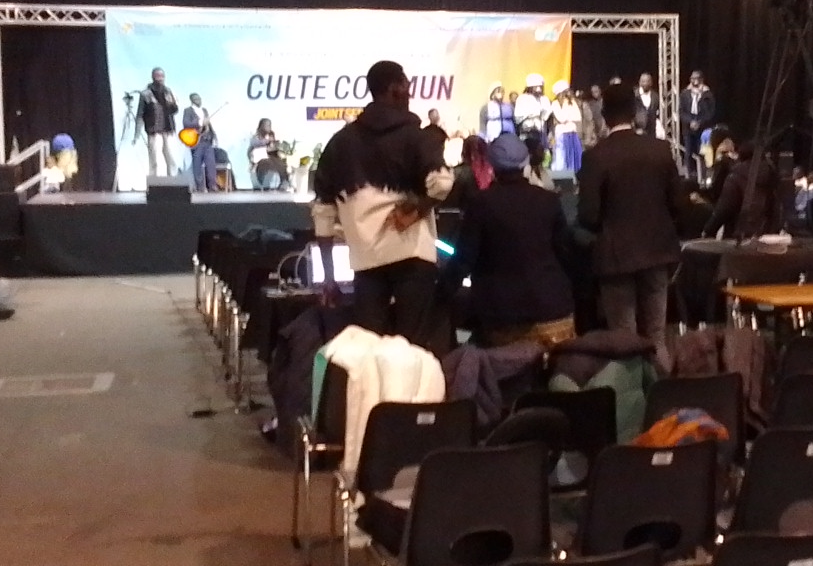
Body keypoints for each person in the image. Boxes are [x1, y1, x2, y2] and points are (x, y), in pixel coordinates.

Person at [311, 61, 455, 356]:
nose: (409, 91)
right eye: (406, 84)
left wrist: (329, 278)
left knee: (370, 354)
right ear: (394, 88)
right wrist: (417, 209)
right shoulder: (416, 136)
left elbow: (323, 213)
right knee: (413, 352)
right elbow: (442, 183)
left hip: (366, 263)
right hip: (413, 256)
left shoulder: (340, 143)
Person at [577, 83, 685, 350]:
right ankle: (661, 378)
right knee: (656, 336)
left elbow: (588, 216)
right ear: (635, 112)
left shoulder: (595, 157)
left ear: (604, 115)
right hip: (658, 252)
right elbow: (678, 204)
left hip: (615, 258)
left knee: (624, 340)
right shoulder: (660, 149)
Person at [450, 134, 578, 350]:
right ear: (524, 162)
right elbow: (565, 253)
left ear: (493, 164)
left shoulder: (481, 204)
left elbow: (464, 259)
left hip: (502, 314)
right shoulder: (548, 201)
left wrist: (442, 292)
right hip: (553, 308)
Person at [704, 148, 787, 240]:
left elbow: (724, 208)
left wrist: (708, 230)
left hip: (739, 237)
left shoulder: (736, 176)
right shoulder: (772, 173)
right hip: (767, 237)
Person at [137, 67, 178, 178]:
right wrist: (137, 132)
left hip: (168, 128)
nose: (160, 78)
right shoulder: (146, 94)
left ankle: (174, 180)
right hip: (154, 129)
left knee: (171, 156)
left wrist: (172, 103)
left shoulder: (168, 91)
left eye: (162, 76)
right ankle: (155, 181)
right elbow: (140, 114)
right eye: (158, 76)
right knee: (155, 157)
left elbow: (174, 110)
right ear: (153, 77)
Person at [677, 70, 717, 179]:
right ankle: (689, 176)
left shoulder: (707, 94)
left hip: (702, 127)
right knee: (688, 152)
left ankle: (703, 176)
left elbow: (710, 112)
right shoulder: (685, 93)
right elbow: (681, 111)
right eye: (692, 78)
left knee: (702, 152)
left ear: (701, 80)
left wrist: (699, 122)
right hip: (688, 127)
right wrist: (690, 121)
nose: (694, 81)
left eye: (697, 78)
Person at [183, 93, 218, 193]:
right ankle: (200, 187)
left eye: (199, 98)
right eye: (196, 99)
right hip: (197, 141)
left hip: (207, 140)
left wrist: (214, 135)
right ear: (192, 100)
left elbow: (208, 124)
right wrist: (199, 123)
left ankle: (212, 186)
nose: (199, 100)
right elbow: (186, 124)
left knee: (211, 164)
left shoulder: (204, 110)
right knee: (197, 164)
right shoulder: (188, 111)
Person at [550, 80, 585, 173]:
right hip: (561, 132)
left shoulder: (571, 102)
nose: (568, 93)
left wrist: (568, 117)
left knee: (572, 153)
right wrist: (568, 117)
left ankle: (572, 171)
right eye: (566, 91)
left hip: (572, 131)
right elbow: (561, 118)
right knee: (561, 153)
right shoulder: (555, 103)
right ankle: (560, 173)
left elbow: (577, 116)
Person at [513, 74, 551, 156]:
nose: (538, 89)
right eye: (536, 87)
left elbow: (547, 113)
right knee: (527, 153)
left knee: (539, 153)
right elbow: (518, 116)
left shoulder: (544, 99)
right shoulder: (522, 98)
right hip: (527, 131)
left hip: (540, 131)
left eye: (540, 87)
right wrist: (531, 114)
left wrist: (543, 114)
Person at [248, 118, 285, 191]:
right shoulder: (256, 136)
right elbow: (254, 143)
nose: (269, 127)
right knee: (265, 165)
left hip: (270, 158)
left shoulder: (271, 135)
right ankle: (261, 184)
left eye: (270, 125)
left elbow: (272, 147)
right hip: (259, 160)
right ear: (261, 126)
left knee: (281, 164)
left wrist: (275, 145)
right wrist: (266, 141)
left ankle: (283, 182)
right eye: (267, 125)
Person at [634, 73, 662, 138]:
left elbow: (657, 113)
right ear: (639, 82)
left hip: (651, 132)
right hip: (637, 131)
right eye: (643, 81)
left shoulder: (655, 97)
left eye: (648, 81)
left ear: (651, 83)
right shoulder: (634, 95)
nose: (645, 83)